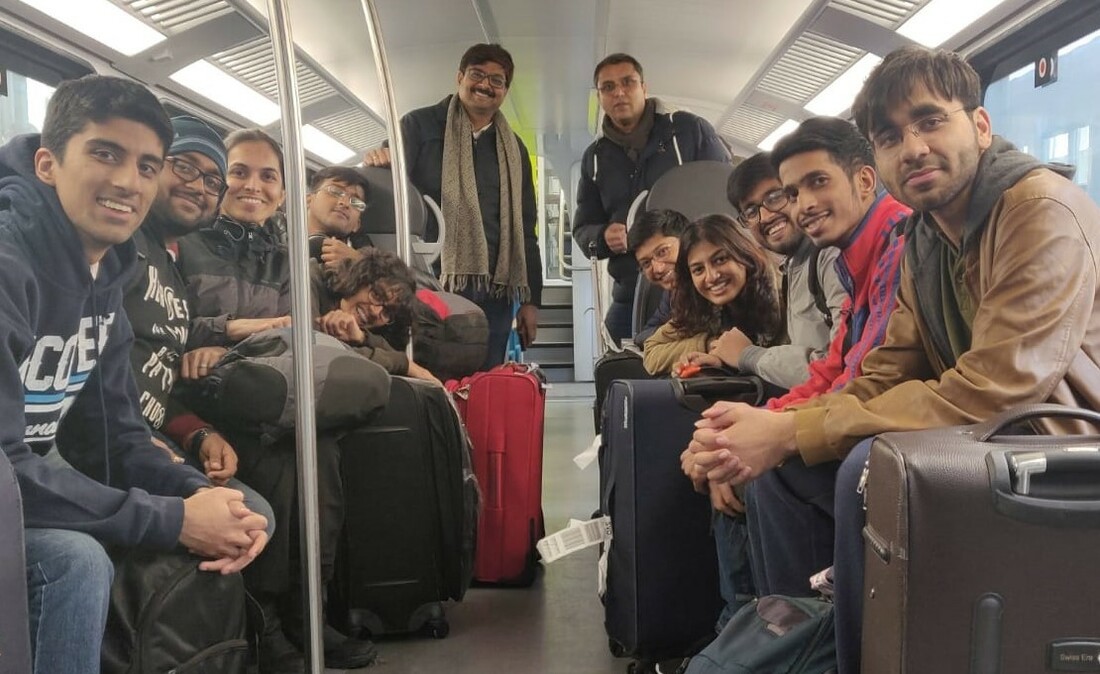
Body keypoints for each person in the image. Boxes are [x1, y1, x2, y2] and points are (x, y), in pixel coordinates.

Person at [688, 46, 1100, 674]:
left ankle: (865, 659)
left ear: (980, 127)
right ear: (877, 161)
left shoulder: (1038, 211)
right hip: (989, 444)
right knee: (781, 475)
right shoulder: (927, 238)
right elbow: (886, 368)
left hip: (1062, 451)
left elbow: (999, 388)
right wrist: (769, 438)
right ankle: (804, 652)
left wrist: (793, 427)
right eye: (889, 137)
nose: (912, 148)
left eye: (931, 121)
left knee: (866, 465)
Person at [0, 75, 268, 674]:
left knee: (245, 508)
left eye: (148, 166)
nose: (128, 181)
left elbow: (112, 438)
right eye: (104, 153)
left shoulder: (107, 278)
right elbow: (6, 465)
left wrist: (203, 498)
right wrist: (171, 519)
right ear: (48, 163)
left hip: (25, 483)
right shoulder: (9, 264)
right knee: (73, 561)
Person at [685, 117, 911, 609]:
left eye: (817, 183)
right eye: (793, 191)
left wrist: (774, 433)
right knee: (746, 461)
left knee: (771, 476)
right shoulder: (853, 259)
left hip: (905, 438)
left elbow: (870, 378)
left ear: (865, 179)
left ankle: (782, 637)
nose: (801, 204)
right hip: (866, 419)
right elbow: (834, 370)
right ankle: (758, 632)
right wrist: (734, 435)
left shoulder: (896, 245)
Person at [176, 129, 377, 672]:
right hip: (210, 398)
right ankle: (264, 617)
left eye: (268, 177)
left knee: (322, 446)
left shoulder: (289, 260)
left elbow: (294, 333)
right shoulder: (186, 242)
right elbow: (172, 325)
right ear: (221, 181)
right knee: (278, 456)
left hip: (272, 388)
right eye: (239, 172)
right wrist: (223, 330)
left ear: (285, 194)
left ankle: (309, 608)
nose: (253, 186)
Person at [364, 43, 542, 368]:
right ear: (460, 76)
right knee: (434, 370)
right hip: (430, 278)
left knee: (484, 378)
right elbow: (390, 175)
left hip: (496, 290)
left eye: (497, 80)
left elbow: (525, 229)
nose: (485, 85)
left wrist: (531, 301)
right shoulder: (420, 126)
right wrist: (382, 158)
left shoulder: (513, 148)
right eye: (477, 74)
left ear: (505, 90)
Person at [572, 53, 730, 343]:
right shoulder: (595, 159)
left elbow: (725, 195)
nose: (619, 92)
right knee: (617, 365)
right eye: (608, 87)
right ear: (600, 97)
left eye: (627, 82)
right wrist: (604, 236)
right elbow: (583, 230)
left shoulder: (687, 130)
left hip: (700, 283)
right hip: (631, 286)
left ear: (644, 87)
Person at [717, 151, 847, 389]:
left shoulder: (831, 257)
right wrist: (727, 362)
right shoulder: (794, 266)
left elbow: (843, 369)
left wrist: (748, 355)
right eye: (750, 211)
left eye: (775, 197)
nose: (765, 216)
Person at [642, 214, 784, 375]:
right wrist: (711, 346)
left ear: (745, 255)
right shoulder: (701, 303)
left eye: (720, 259)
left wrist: (745, 356)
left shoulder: (785, 296)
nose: (711, 277)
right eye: (698, 269)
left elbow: (806, 372)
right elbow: (651, 351)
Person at [310, 248, 441, 384]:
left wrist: (362, 337)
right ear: (360, 279)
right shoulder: (310, 280)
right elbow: (313, 355)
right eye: (376, 295)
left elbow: (388, 350)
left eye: (387, 313)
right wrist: (403, 364)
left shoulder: (367, 332)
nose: (375, 311)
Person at [627, 208, 690, 345]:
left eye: (662, 252)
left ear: (687, 240)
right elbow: (642, 335)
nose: (658, 269)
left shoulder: (711, 282)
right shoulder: (671, 294)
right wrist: (675, 330)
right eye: (646, 263)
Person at [306, 165, 369, 269]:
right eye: (335, 191)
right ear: (308, 200)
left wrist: (358, 265)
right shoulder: (273, 231)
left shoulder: (363, 261)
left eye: (356, 202)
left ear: (357, 224)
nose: (345, 203)